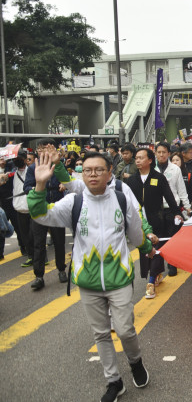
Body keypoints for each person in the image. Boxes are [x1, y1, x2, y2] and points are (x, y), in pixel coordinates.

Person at [27, 151, 154, 401]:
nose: (92, 174)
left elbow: (137, 234)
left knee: (125, 330)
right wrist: (40, 184)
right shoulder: (73, 202)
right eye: (87, 170)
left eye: (98, 170)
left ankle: (135, 362)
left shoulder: (121, 199)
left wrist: (145, 245)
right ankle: (114, 381)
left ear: (109, 174)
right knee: (101, 334)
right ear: (81, 175)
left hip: (119, 278)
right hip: (88, 281)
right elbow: (40, 214)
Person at [127, 148, 182, 299]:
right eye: (136, 158)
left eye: (141, 158)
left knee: (156, 249)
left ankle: (151, 282)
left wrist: (177, 212)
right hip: (139, 221)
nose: (137, 160)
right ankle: (154, 274)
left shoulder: (159, 178)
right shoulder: (131, 180)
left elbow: (169, 197)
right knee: (145, 250)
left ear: (150, 160)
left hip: (157, 219)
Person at [24, 140, 67, 289]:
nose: (42, 152)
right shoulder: (32, 168)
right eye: (40, 149)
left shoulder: (58, 165)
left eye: (46, 149)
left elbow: (68, 182)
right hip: (39, 211)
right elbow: (27, 187)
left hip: (56, 209)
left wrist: (63, 186)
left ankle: (61, 269)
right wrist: (38, 187)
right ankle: (39, 276)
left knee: (59, 241)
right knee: (38, 244)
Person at [155, 143, 190, 277]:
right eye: (159, 152)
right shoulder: (152, 169)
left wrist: (186, 207)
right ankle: (157, 269)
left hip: (171, 209)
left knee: (172, 238)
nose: (161, 155)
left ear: (169, 154)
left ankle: (172, 264)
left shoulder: (175, 169)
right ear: (156, 153)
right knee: (158, 240)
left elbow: (181, 190)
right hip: (156, 209)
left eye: (164, 152)